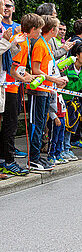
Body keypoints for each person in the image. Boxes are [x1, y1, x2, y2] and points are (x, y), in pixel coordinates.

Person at [0, 13, 44, 176]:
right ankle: (9, 161)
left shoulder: (24, 39)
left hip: (14, 85)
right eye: (39, 30)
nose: (40, 33)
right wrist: (25, 79)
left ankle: (4, 159)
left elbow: (19, 68)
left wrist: (25, 76)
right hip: (10, 88)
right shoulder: (21, 41)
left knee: (9, 125)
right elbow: (12, 69)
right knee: (10, 126)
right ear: (32, 29)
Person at [27, 15, 68, 171]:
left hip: (46, 90)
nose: (59, 31)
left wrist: (57, 78)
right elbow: (36, 70)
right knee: (36, 125)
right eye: (58, 28)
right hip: (38, 90)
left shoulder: (46, 45)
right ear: (52, 30)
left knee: (42, 124)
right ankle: (33, 159)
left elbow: (47, 68)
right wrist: (54, 80)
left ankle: (37, 157)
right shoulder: (39, 45)